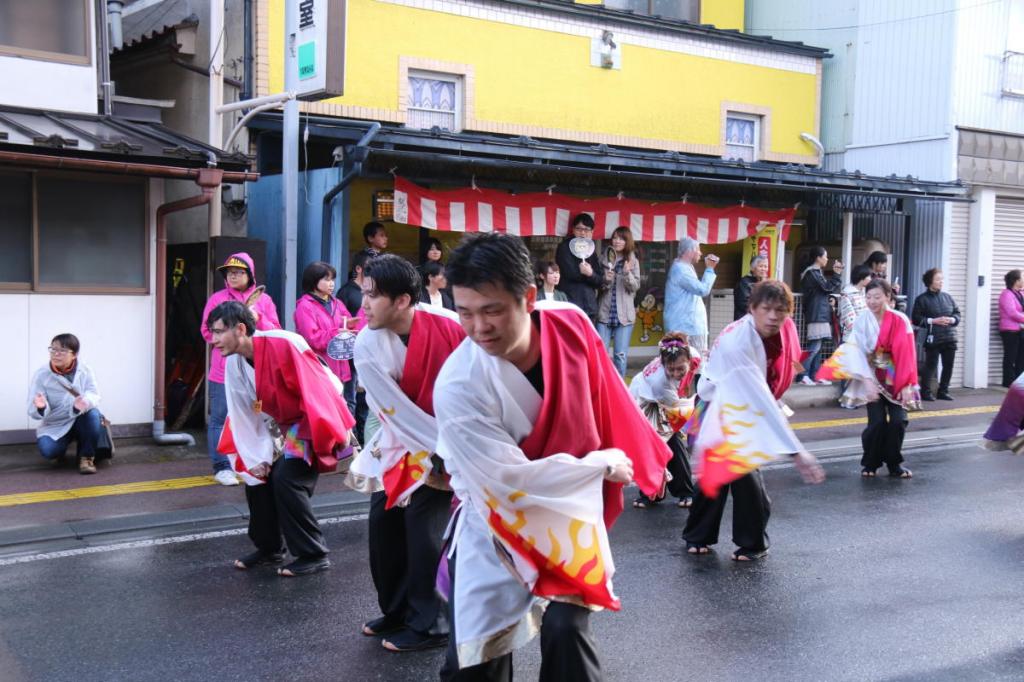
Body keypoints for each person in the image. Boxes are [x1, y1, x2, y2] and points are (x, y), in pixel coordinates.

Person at [435, 232, 671, 680]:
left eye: (492, 310)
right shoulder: (458, 386)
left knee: (568, 628)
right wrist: (601, 465)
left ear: (528, 297)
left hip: (570, 508)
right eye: (465, 313)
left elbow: (607, 397)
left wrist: (641, 456)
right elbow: (508, 481)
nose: (478, 328)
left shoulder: (570, 322)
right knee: (478, 655)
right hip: (496, 517)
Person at [346, 254, 465, 653]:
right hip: (404, 439)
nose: (363, 305)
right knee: (383, 521)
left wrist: (453, 453)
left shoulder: (449, 326)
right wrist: (436, 452)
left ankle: (432, 624)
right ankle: (397, 610)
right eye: (363, 293)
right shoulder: (366, 343)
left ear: (402, 300)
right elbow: (393, 410)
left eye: (372, 296)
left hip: (458, 440)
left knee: (423, 525)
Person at [682, 281, 825, 561]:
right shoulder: (738, 342)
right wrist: (797, 452)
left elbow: (783, 368)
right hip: (717, 406)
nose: (773, 316)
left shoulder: (784, 330)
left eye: (781, 310)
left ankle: (716, 538)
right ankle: (742, 541)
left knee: (735, 475)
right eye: (767, 309)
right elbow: (758, 395)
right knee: (732, 475)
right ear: (752, 309)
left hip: (746, 403)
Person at [209, 301, 354, 577]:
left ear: (240, 329)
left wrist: (324, 433)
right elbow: (243, 414)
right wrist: (256, 459)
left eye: (218, 332)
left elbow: (323, 387)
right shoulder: (234, 364)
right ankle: (270, 548)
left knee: (287, 479)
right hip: (278, 425)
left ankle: (313, 553)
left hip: (311, 418)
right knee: (257, 479)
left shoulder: (285, 342)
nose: (213, 340)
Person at [819, 279, 920, 478]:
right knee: (876, 422)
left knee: (899, 421)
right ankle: (871, 463)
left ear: (888, 298)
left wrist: (908, 384)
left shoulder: (900, 320)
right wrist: (866, 380)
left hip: (896, 374)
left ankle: (894, 464)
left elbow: (908, 354)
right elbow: (855, 350)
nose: (872, 301)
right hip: (871, 373)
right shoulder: (863, 319)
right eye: (869, 297)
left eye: (877, 297)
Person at [201, 252, 282, 486]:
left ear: (250, 275)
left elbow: (274, 329)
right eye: (229, 272)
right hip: (222, 369)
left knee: (256, 416)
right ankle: (221, 466)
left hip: (255, 368)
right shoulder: (217, 299)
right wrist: (227, 333)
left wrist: (257, 318)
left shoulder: (263, 301)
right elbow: (206, 331)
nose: (232, 276)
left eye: (238, 272)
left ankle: (255, 460)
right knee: (219, 418)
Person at [628, 332, 700, 509]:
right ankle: (657, 493)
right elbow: (678, 408)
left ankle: (662, 493)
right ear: (663, 363)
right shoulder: (660, 382)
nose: (676, 373)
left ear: (688, 359)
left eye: (680, 369)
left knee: (670, 444)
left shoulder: (691, 353)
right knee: (657, 446)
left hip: (664, 401)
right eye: (671, 369)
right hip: (645, 402)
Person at [28, 333, 105, 475]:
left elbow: (94, 394)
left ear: (74, 354)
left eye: (62, 351)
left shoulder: (85, 370)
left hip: (80, 418)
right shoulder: (42, 374)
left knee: (93, 414)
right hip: (55, 424)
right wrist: (41, 407)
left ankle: (86, 458)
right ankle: (61, 449)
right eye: (53, 349)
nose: (56, 354)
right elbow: (32, 409)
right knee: (49, 451)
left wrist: (83, 402)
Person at [294, 261, 362, 388]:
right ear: (313, 281)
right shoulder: (305, 306)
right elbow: (312, 338)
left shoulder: (337, 303)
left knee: (345, 405)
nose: (331, 284)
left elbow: (341, 325)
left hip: (340, 366)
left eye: (333, 280)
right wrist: (337, 333)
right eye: (326, 279)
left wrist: (349, 324)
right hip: (319, 368)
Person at [595, 226, 641, 378]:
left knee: (620, 356)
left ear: (627, 241)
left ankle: (619, 392)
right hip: (605, 313)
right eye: (614, 238)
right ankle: (602, 389)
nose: (617, 241)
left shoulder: (632, 260)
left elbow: (635, 287)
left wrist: (627, 273)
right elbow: (598, 287)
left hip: (624, 316)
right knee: (600, 355)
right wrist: (606, 280)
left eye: (621, 238)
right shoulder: (604, 258)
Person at [911, 268, 960, 401]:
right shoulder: (921, 299)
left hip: (950, 336)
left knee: (948, 365)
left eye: (942, 279)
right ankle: (925, 392)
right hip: (933, 337)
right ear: (930, 281)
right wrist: (933, 321)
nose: (941, 282)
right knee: (931, 365)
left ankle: (943, 391)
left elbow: (957, 313)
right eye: (938, 279)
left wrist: (952, 319)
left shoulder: (947, 297)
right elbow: (916, 318)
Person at [664, 236, 718, 360]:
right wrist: (709, 269)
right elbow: (703, 290)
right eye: (698, 250)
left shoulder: (683, 266)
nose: (700, 253)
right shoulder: (681, 270)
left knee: (685, 363)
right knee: (693, 363)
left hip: (686, 326)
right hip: (686, 328)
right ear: (690, 251)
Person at [797, 246, 843, 386]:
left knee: (818, 346)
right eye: (825, 256)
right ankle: (802, 375)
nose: (827, 259)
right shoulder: (812, 272)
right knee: (814, 347)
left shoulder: (815, 272)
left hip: (819, 312)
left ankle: (814, 375)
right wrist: (836, 274)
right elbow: (827, 288)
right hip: (816, 313)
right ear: (818, 258)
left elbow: (824, 290)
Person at [555, 213, 604, 320]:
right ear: (573, 230)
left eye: (586, 230)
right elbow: (571, 274)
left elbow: (600, 281)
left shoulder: (591, 250)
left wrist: (590, 274)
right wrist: (588, 274)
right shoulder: (564, 248)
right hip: (570, 306)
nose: (582, 232)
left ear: (592, 232)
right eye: (579, 229)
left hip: (589, 307)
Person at [983, 371, 1024, 453]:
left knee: (1010, 419)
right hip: (1020, 391)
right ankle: (1017, 445)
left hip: (1017, 388)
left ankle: (1005, 443)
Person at [998, 269, 1024, 387]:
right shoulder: (1006, 294)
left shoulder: (1020, 293)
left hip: (1020, 330)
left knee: (1021, 357)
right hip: (1010, 331)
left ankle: (1019, 382)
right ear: (1016, 280)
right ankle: (1008, 381)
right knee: (1010, 357)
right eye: (1022, 278)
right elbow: (1012, 312)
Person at [838, 265, 872, 344]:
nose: (870, 279)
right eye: (868, 276)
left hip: (863, 338)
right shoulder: (847, 293)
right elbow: (849, 319)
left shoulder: (864, 292)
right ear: (861, 277)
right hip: (851, 339)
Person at [338, 249, 374, 318]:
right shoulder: (346, 292)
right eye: (369, 268)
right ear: (358, 269)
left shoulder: (377, 292)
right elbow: (339, 320)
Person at [733, 255, 769, 321]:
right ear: (752, 268)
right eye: (760, 266)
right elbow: (744, 304)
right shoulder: (744, 283)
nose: (763, 269)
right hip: (745, 321)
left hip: (760, 321)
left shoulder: (766, 283)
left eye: (765, 266)